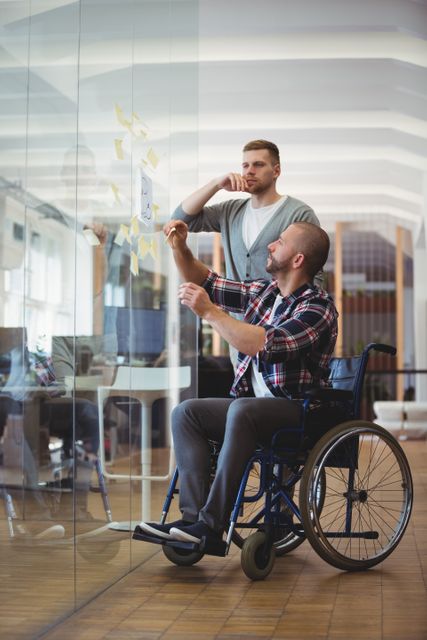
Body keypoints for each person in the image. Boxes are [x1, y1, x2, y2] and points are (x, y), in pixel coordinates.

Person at [137, 219, 338, 546]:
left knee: (242, 410)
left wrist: (211, 314)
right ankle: (191, 520)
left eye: (281, 242)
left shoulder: (317, 307)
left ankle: (211, 526)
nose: (271, 245)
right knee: (186, 413)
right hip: (252, 408)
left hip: (296, 410)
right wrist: (179, 247)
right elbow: (206, 280)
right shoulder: (265, 292)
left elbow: (268, 344)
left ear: (298, 259)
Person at [172, 139, 320, 283]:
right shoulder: (230, 211)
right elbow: (179, 221)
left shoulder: (299, 214)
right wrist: (215, 184)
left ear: (276, 171)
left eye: (258, 165)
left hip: (279, 308)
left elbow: (314, 273)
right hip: (230, 308)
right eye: (245, 165)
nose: (249, 171)